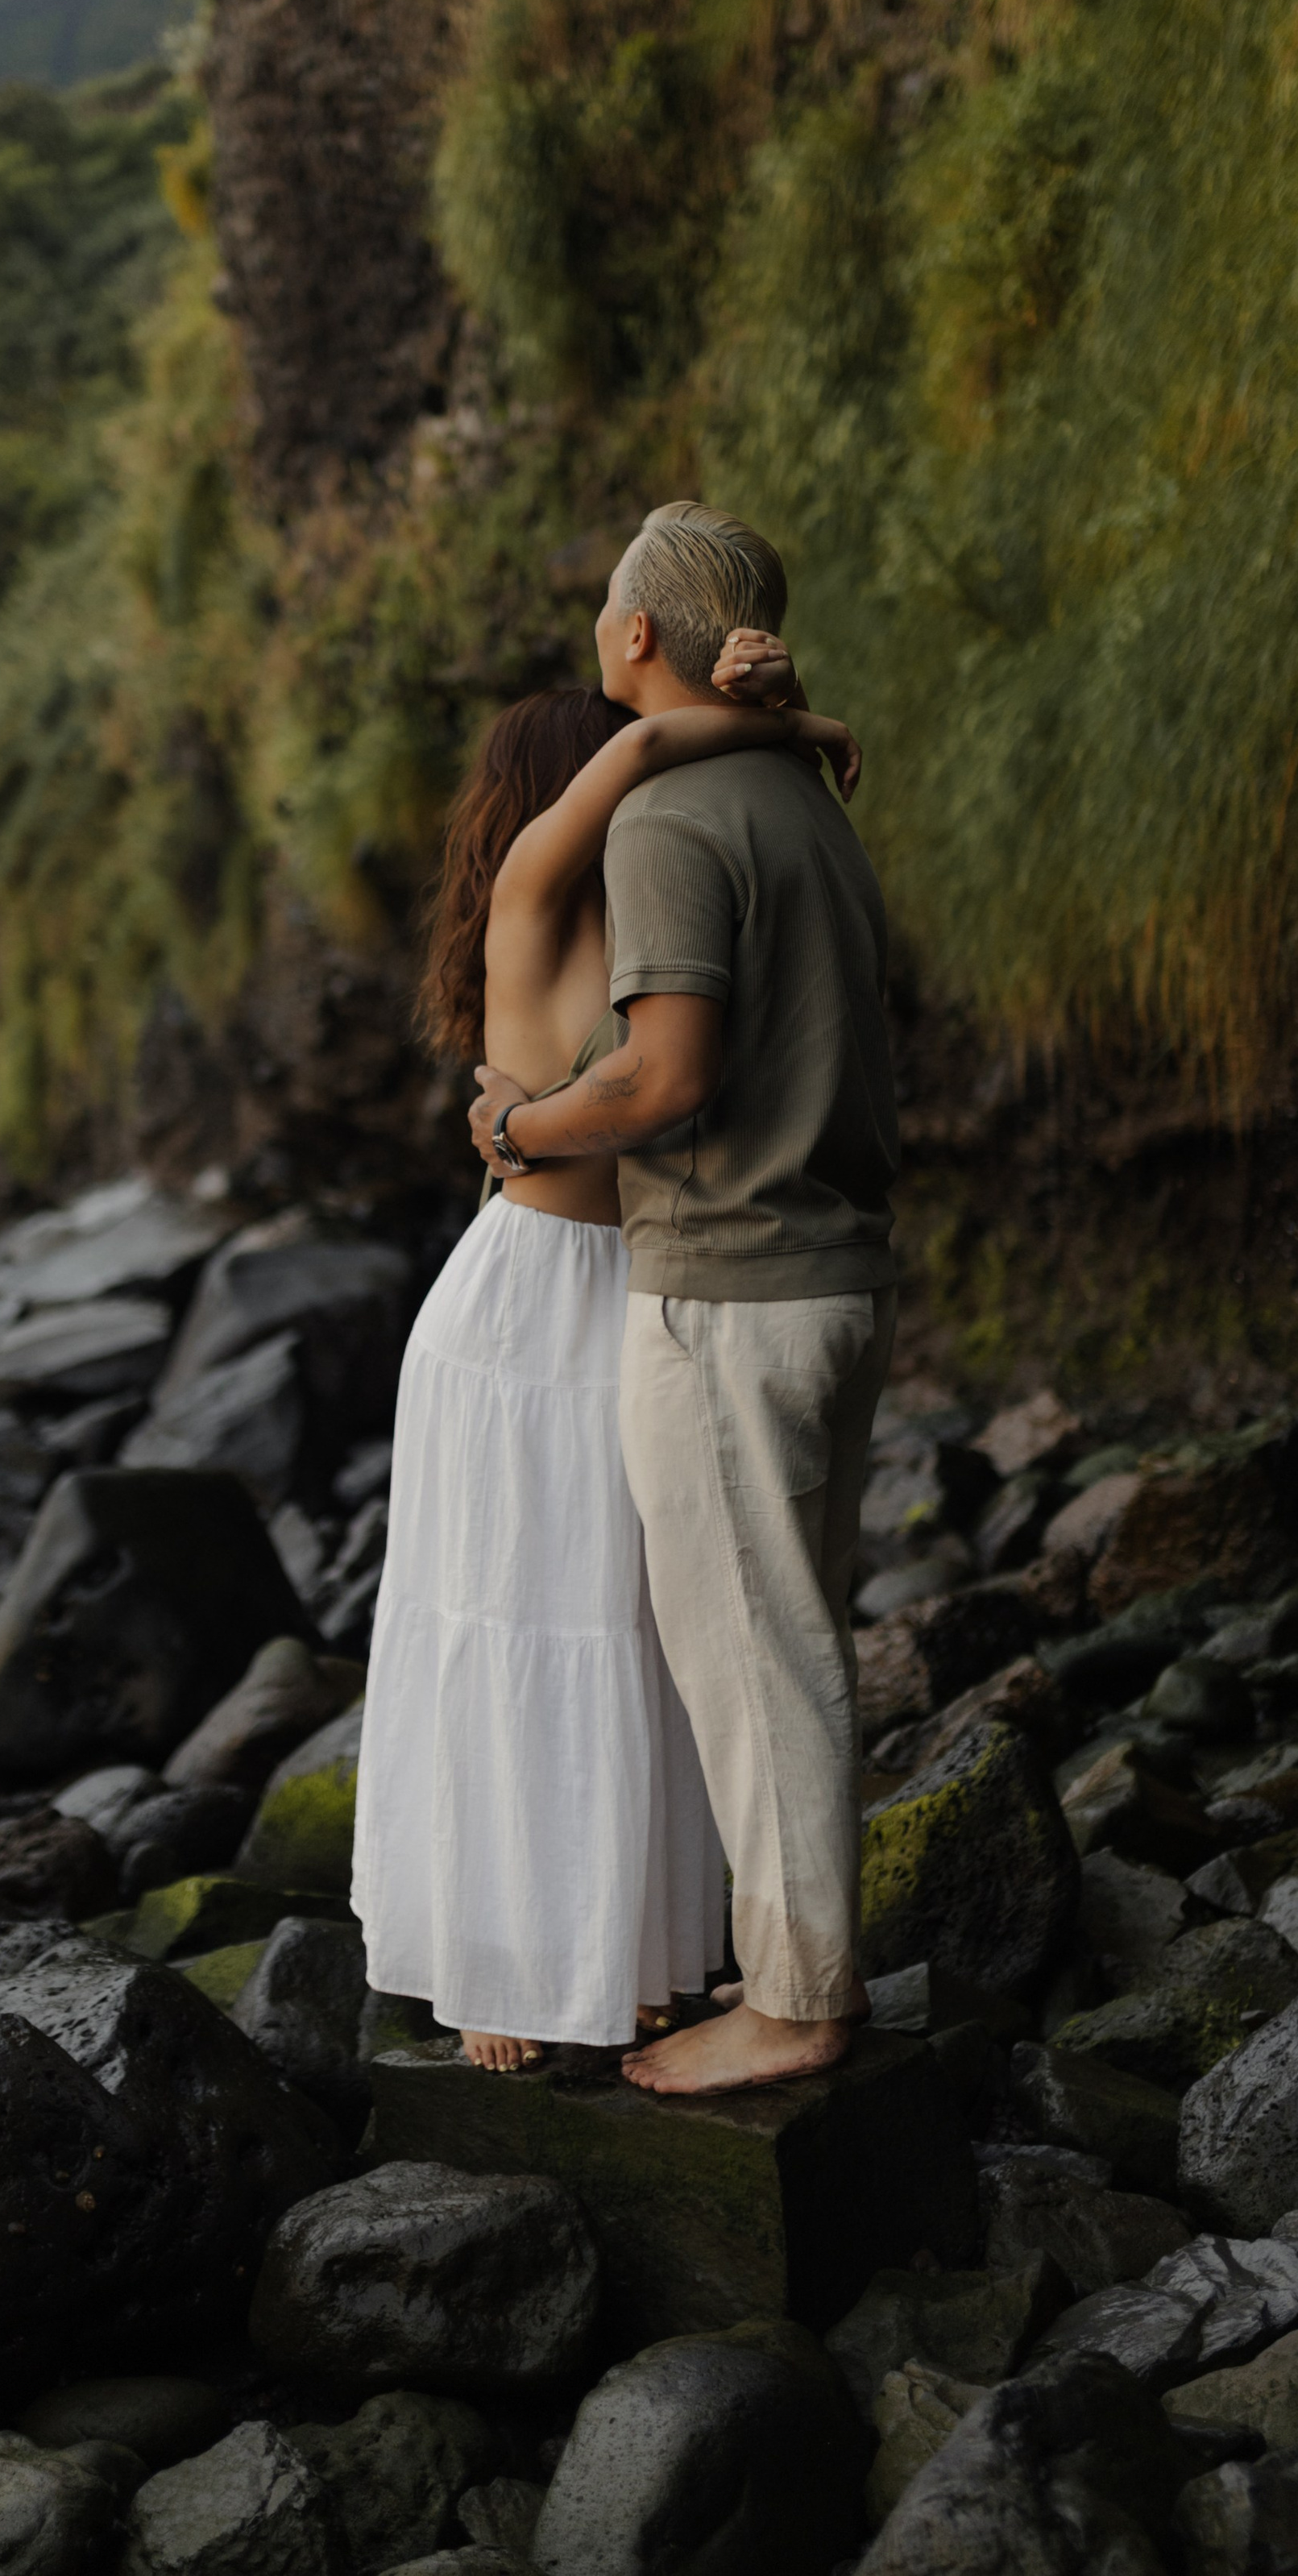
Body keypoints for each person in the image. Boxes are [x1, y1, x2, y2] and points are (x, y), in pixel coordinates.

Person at [350, 649, 862, 2070]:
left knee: (635, 1635)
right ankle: (499, 1974)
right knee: (510, 1626)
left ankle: (625, 1955)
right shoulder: (528, 895)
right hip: (520, 1315)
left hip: (639, 1293)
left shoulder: (665, 914)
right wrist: (796, 724)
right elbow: (638, 755)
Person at [469, 501, 901, 2096]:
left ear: (637, 632)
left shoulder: (666, 819)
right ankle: (788, 1964)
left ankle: (793, 2003)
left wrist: (517, 1128)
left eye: (605, 604)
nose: (597, 623)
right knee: (791, 1634)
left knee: (754, 1653)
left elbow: (662, 1076)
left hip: (728, 1284)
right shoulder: (801, 800)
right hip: (835, 1267)